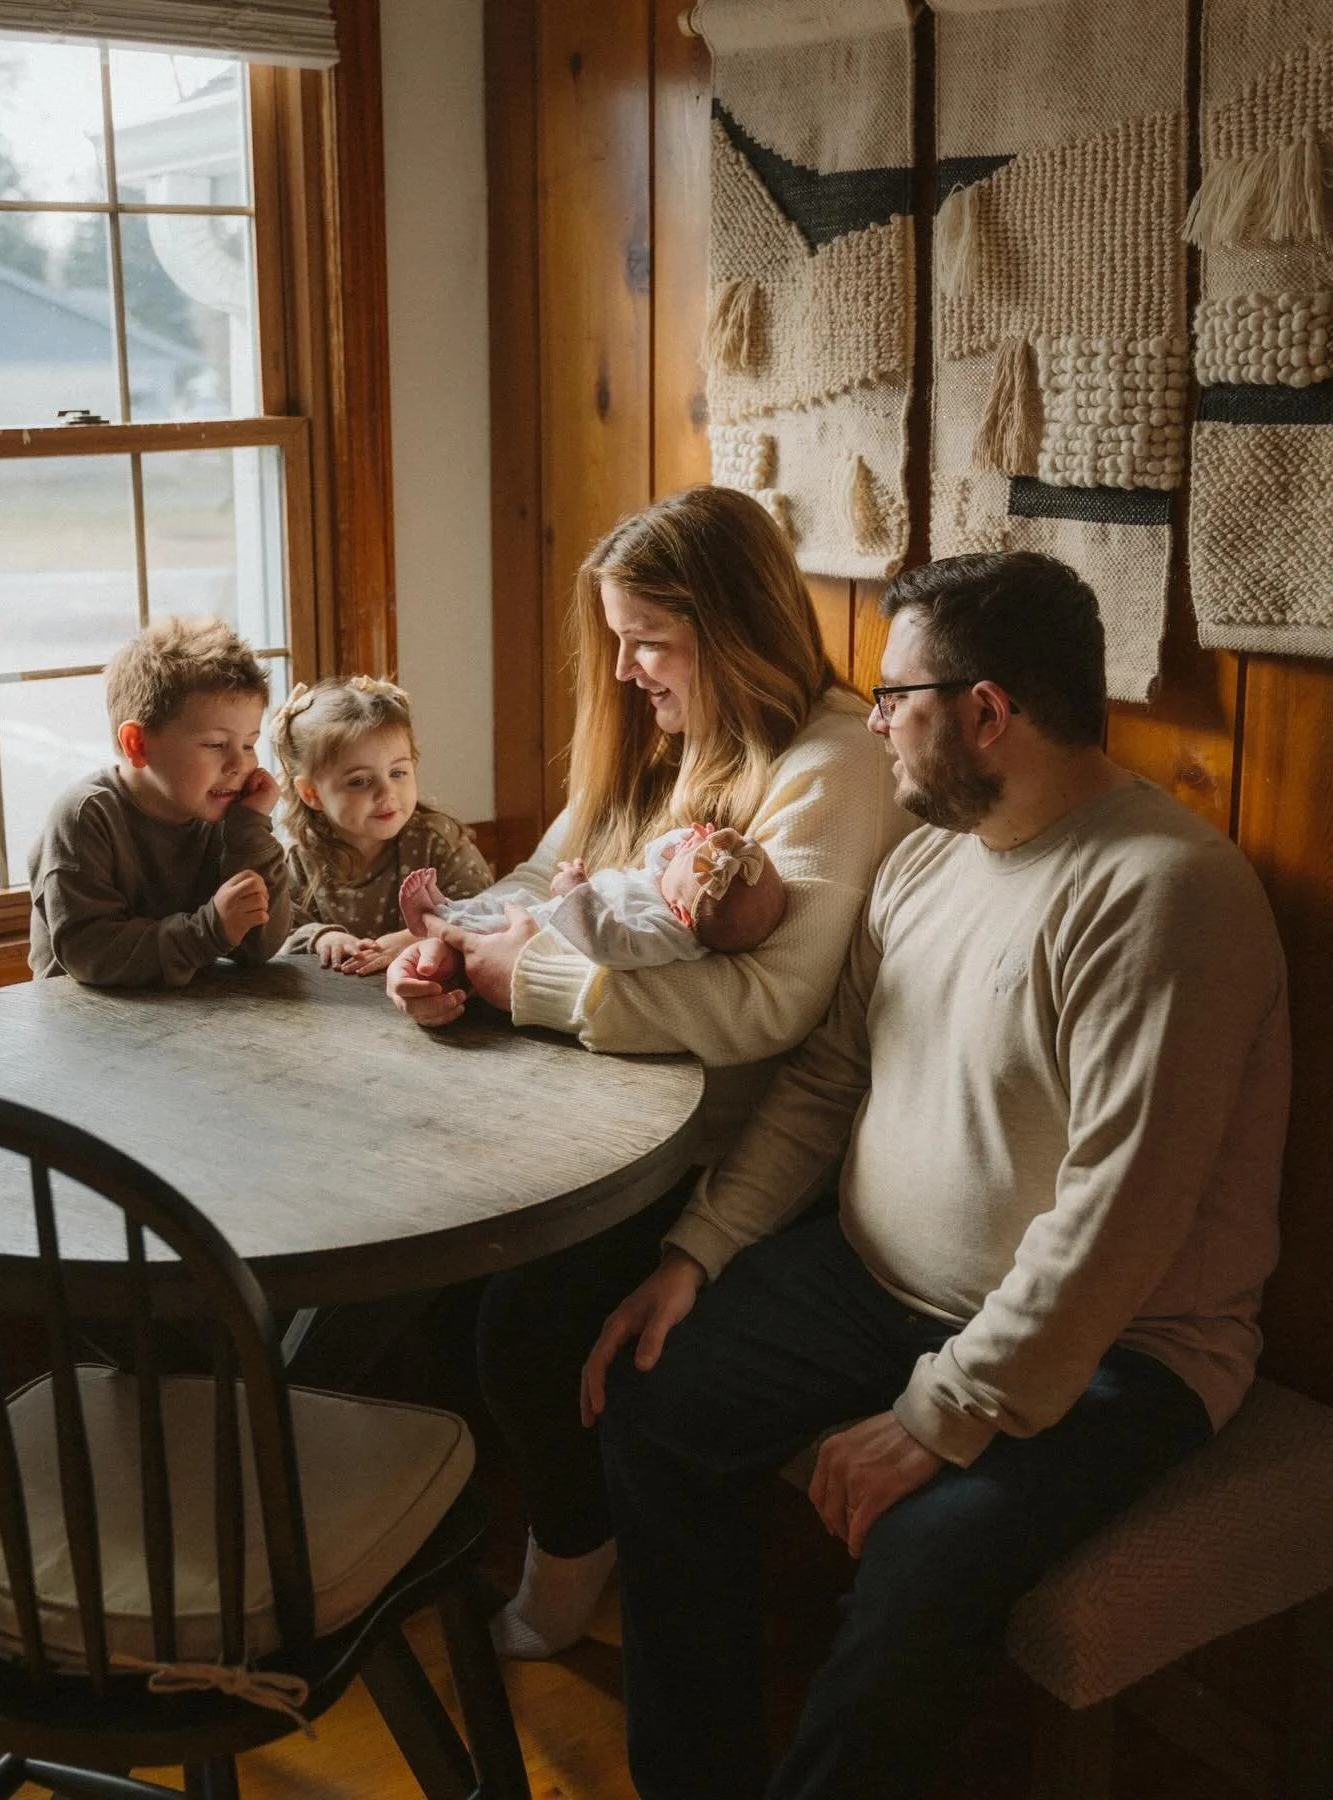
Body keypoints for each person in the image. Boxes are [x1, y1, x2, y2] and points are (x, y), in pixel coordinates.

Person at [582, 550, 1292, 1800]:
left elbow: (1119, 1218)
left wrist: (941, 1411)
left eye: (896, 693)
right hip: (876, 1285)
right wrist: (700, 1250)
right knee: (654, 1399)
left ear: (985, 712)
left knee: (920, 1556)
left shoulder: (1165, 892)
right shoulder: (926, 858)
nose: (875, 721)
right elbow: (825, 1083)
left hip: (1129, 1348)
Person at [384, 485, 907, 1658]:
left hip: (719, 1149)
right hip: (583, 1111)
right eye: (618, 641)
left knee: (521, 1319)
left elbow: (774, 1007)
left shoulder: (830, 764)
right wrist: (447, 944)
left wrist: (535, 985)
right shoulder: (654, 739)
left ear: (733, 632)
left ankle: (574, 1552)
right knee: (425, 1264)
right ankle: (418, 1536)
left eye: (650, 644)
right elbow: (538, 878)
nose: (625, 671)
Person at [28, 615, 290, 987]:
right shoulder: (85, 816)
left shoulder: (224, 814)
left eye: (249, 744)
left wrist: (250, 829)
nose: (241, 764)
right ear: (138, 744)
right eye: (216, 744)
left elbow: (258, 947)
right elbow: (91, 953)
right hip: (87, 1027)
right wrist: (208, 930)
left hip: (186, 1023)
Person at [272, 675, 491, 973]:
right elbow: (279, 933)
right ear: (312, 794)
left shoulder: (436, 841)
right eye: (360, 781)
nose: (386, 793)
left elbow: (485, 912)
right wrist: (323, 937)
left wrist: (413, 938)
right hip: (339, 1006)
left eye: (398, 773)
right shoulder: (298, 860)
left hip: (434, 983)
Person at [399, 823, 787, 969]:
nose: (689, 842)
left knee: (498, 921)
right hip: (549, 911)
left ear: (682, 916)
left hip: (547, 935)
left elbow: (609, 945)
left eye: (688, 852)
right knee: (513, 896)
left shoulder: (662, 934)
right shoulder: (678, 894)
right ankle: (444, 906)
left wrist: (577, 892)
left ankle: (437, 919)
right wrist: (682, 846)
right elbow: (657, 858)